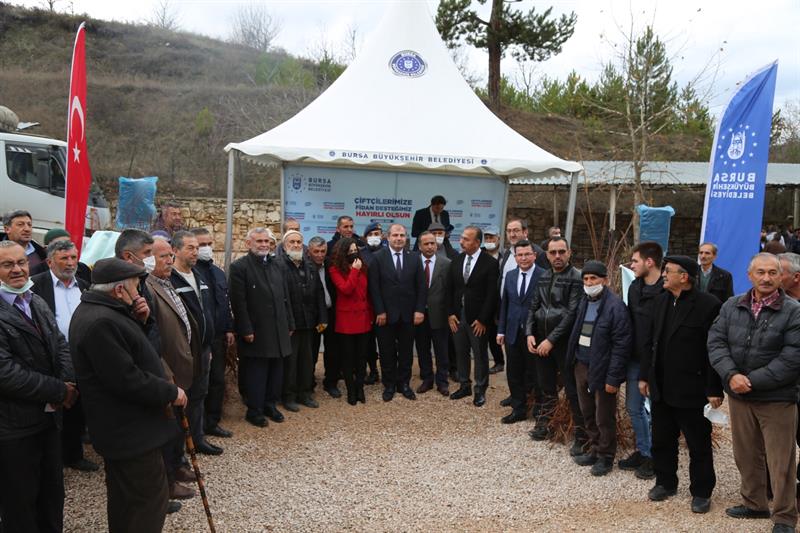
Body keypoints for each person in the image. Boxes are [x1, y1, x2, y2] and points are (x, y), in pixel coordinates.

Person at [69, 257, 187, 533]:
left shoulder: (106, 311)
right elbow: (126, 379)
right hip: (129, 432)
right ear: (119, 290)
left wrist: (141, 322)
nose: (139, 292)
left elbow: (130, 351)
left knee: (128, 500)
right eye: (135, 286)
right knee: (147, 502)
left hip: (128, 430)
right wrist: (171, 392)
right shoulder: (101, 322)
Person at [708, 253, 800, 532]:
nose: (766, 278)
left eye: (773, 272)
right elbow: (716, 341)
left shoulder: (794, 311)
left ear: (781, 277)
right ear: (749, 275)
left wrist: (750, 381)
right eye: (760, 272)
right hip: (740, 397)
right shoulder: (732, 305)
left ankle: (784, 516)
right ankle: (754, 504)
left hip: (777, 399)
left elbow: (793, 356)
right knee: (746, 455)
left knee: (781, 461)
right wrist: (731, 375)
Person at [0, 240, 76, 533]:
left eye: (21, 262)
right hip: (13, 427)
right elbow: (6, 373)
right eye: (7, 264)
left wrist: (67, 381)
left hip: (48, 420)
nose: (18, 269)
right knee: (20, 503)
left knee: (51, 496)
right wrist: (59, 391)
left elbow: (60, 344)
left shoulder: (35, 300)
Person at [639, 256, 723, 514]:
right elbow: (649, 342)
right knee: (662, 440)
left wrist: (714, 389)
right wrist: (644, 376)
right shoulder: (660, 301)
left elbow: (714, 349)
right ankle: (665, 482)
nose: (663, 274)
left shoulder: (708, 305)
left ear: (684, 277)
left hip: (692, 390)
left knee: (698, 444)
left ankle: (701, 492)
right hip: (661, 387)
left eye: (668, 271)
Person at [30, 240, 98, 472]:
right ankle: (49, 457)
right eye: (64, 258)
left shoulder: (85, 286)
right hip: (52, 357)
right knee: (53, 408)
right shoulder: (36, 285)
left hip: (83, 357)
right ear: (50, 262)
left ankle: (73, 454)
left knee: (77, 407)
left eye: (73, 258)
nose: (70, 263)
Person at [145, 237, 199, 501]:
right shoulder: (147, 287)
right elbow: (152, 339)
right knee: (167, 429)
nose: (169, 261)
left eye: (170, 256)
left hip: (182, 366)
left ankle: (177, 466)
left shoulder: (166, 282)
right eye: (163, 256)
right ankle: (167, 480)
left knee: (178, 426)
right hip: (167, 372)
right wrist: (167, 376)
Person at [567, 261, 631, 476]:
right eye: (585, 279)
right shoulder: (584, 301)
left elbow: (621, 345)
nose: (589, 283)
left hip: (602, 368)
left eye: (593, 278)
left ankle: (606, 456)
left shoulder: (615, 307)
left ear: (605, 280)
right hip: (581, 364)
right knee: (587, 411)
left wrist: (613, 378)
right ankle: (594, 449)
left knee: (604, 415)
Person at [525, 237, 585, 454]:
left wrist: (551, 340)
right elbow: (533, 306)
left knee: (572, 389)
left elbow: (571, 313)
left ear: (569, 252)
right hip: (540, 340)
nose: (557, 256)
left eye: (561, 252)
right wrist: (529, 333)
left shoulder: (576, 277)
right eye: (553, 252)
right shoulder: (544, 276)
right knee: (545, 385)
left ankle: (582, 435)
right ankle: (547, 424)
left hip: (564, 343)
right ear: (547, 255)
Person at [229, 228, 295, 427]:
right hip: (256, 330)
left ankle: (270, 405)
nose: (264, 244)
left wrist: (290, 322)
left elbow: (286, 297)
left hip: (278, 328)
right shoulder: (239, 267)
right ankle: (254, 410)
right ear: (248, 243)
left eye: (267, 241)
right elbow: (238, 303)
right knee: (257, 373)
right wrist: (246, 329)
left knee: (276, 371)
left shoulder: (277, 265)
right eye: (259, 241)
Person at [170, 231, 221, 455]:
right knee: (181, 399)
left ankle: (197, 439)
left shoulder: (199, 276)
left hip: (203, 349)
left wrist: (208, 344)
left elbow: (207, 311)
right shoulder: (170, 279)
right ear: (175, 250)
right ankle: (178, 448)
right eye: (190, 248)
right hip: (183, 352)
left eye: (196, 248)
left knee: (199, 395)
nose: (195, 252)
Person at [619, 241, 663, 479]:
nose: (631, 265)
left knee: (658, 411)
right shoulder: (635, 288)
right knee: (634, 408)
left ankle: (657, 456)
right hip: (636, 359)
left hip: (659, 362)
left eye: (635, 261)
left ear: (650, 262)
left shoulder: (667, 290)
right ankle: (644, 451)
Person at [368, 224, 426, 402]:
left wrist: (419, 310)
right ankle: (389, 385)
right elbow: (374, 287)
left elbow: (421, 286)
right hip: (385, 315)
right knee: (386, 352)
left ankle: (404, 384)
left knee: (406, 352)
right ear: (388, 237)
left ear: (406, 237)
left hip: (408, 315)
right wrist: (380, 311)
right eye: (395, 235)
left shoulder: (415, 257)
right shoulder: (377, 257)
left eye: (402, 235)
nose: (399, 238)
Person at [190, 228, 235, 439]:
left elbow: (224, 302)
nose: (206, 248)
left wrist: (229, 328)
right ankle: (195, 428)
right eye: (201, 245)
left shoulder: (217, 272)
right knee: (199, 384)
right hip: (198, 339)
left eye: (209, 244)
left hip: (218, 336)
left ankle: (212, 422)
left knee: (217, 380)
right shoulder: (189, 273)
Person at [448, 225, 499, 407]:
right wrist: (450, 313)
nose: (461, 241)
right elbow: (450, 289)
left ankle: (480, 389)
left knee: (479, 354)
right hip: (458, 316)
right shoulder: (456, 260)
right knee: (461, 352)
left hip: (478, 319)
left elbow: (492, 294)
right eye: (461, 238)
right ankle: (464, 385)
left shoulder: (490, 263)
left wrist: (483, 319)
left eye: (466, 239)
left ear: (477, 242)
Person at [278, 230, 327, 410]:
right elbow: (281, 298)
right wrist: (287, 322)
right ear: (284, 246)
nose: (296, 245)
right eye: (292, 242)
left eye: (299, 242)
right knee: (290, 363)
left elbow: (319, 294)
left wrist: (322, 318)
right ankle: (289, 396)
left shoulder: (310, 265)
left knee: (307, 361)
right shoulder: (279, 266)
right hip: (291, 325)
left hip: (309, 323)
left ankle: (305, 393)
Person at [496, 240, 543, 423]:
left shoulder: (544, 276)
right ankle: (518, 409)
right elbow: (505, 305)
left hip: (534, 334)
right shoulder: (510, 276)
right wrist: (501, 330)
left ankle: (539, 409)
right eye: (520, 255)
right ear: (515, 257)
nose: (523, 258)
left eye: (527, 254)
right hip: (512, 332)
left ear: (534, 256)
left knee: (535, 373)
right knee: (513, 372)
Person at [329, 237, 373, 405]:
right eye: (350, 251)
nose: (354, 253)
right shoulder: (335, 269)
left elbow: (367, 293)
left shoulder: (363, 267)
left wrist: (371, 315)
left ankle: (360, 388)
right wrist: (354, 271)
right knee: (348, 358)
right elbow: (346, 289)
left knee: (361, 357)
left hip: (363, 318)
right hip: (346, 320)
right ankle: (351, 391)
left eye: (355, 250)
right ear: (343, 252)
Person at [414, 231, 452, 396]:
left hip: (440, 315)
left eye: (432, 243)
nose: (430, 246)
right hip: (419, 314)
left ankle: (442, 382)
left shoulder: (447, 263)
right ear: (419, 246)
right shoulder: (413, 262)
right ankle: (427, 379)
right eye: (426, 244)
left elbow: (450, 291)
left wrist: (450, 313)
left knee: (441, 350)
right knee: (422, 349)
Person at [308, 237, 340, 398]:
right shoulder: (305, 267)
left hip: (331, 313)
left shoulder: (330, 264)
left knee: (333, 350)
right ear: (309, 251)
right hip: (312, 316)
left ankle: (331, 382)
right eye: (316, 251)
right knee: (311, 350)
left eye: (323, 251)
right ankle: (308, 383)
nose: (320, 255)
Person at [359, 222, 384, 385]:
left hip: (385, 305)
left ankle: (389, 371)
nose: (374, 237)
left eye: (377, 234)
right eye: (371, 234)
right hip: (367, 306)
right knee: (368, 342)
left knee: (386, 341)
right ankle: (373, 370)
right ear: (365, 237)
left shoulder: (388, 253)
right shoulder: (360, 254)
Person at [482, 226, 505, 375]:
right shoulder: (479, 254)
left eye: (492, 237)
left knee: (494, 335)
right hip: (481, 300)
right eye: (487, 238)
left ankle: (499, 362)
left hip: (498, 302)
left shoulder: (505, 257)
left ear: (498, 239)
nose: (489, 240)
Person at [1, 210, 47, 276]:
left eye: (29, 225)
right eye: (20, 225)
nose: (27, 229)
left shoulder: (43, 254)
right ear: (7, 229)